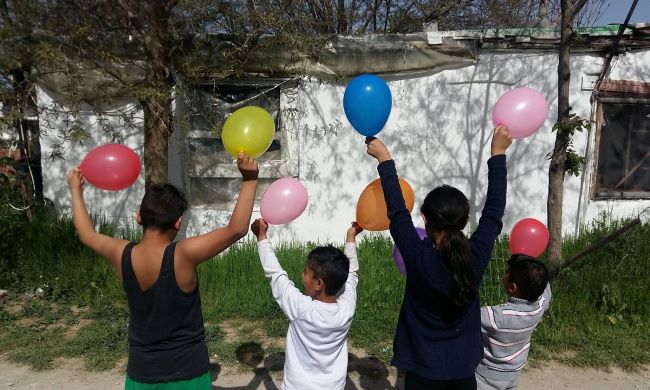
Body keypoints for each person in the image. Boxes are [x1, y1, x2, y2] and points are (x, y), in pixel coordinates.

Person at [67, 153, 259, 389]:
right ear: (178, 223)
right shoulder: (183, 255)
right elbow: (237, 229)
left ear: (138, 217)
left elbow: (87, 234)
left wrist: (76, 190)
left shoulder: (121, 253)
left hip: (141, 373)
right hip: (188, 371)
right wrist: (249, 179)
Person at [365, 125, 513, 389]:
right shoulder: (474, 256)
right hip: (462, 371)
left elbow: (397, 214)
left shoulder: (417, 255)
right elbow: (494, 211)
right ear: (466, 220)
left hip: (422, 371)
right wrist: (497, 153)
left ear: (425, 220)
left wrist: (385, 160)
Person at [250, 218, 362, 390]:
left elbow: (275, 273)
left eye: (305, 272)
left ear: (318, 284)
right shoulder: (347, 307)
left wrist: (262, 236)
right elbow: (351, 276)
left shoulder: (301, 309)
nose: (302, 276)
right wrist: (351, 237)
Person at [475, 254, 552, 390]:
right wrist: (531, 264)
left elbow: (466, 317)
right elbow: (546, 287)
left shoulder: (498, 316)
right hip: (514, 373)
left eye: (506, 273)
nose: (504, 275)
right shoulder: (540, 306)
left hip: (486, 377)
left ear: (512, 287)